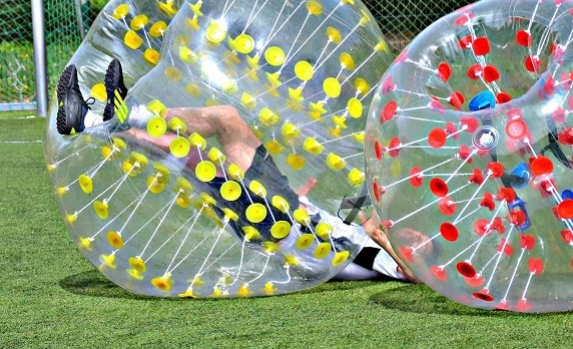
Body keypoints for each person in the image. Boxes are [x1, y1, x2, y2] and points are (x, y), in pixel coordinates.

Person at [55, 59, 426, 283]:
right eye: (418, 234)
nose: (416, 234)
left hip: (274, 223)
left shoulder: (396, 265)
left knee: (191, 158)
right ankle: (127, 113)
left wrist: (383, 224)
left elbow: (390, 245)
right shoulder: (365, 241)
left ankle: (87, 121)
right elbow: (353, 209)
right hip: (286, 203)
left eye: (422, 242)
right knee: (226, 119)